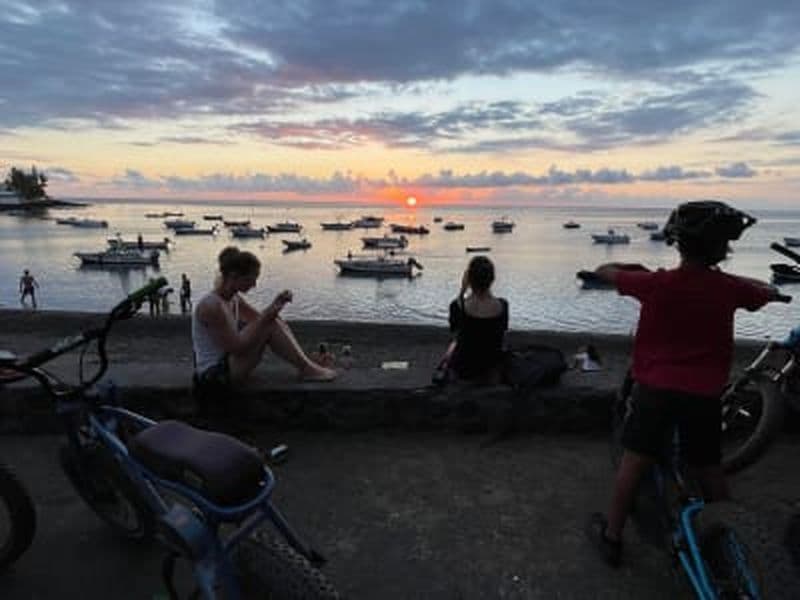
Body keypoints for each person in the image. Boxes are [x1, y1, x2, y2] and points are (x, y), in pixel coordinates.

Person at [585, 201, 784, 567]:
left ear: (678, 243)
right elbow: (763, 292)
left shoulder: (656, 284)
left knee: (634, 462)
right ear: (722, 248)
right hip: (704, 395)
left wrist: (635, 269)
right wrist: (767, 291)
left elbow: (605, 270)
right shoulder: (729, 288)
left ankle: (611, 535)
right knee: (709, 467)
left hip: (655, 390)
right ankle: (729, 539)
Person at [192, 246, 336, 387]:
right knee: (269, 322)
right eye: (251, 279)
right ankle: (307, 369)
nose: (254, 285)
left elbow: (261, 319)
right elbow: (236, 347)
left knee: (272, 321)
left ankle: (307, 365)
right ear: (234, 276)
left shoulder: (233, 298)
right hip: (214, 376)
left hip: (229, 364)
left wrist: (276, 307)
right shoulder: (212, 306)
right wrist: (269, 312)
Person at [436, 256, 508, 383]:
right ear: (492, 279)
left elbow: (454, 331)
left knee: (453, 344)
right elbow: (502, 334)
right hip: (491, 367)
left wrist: (462, 290)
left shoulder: (458, 306)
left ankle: (445, 372)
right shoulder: (503, 306)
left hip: (464, 368)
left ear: (469, 279)